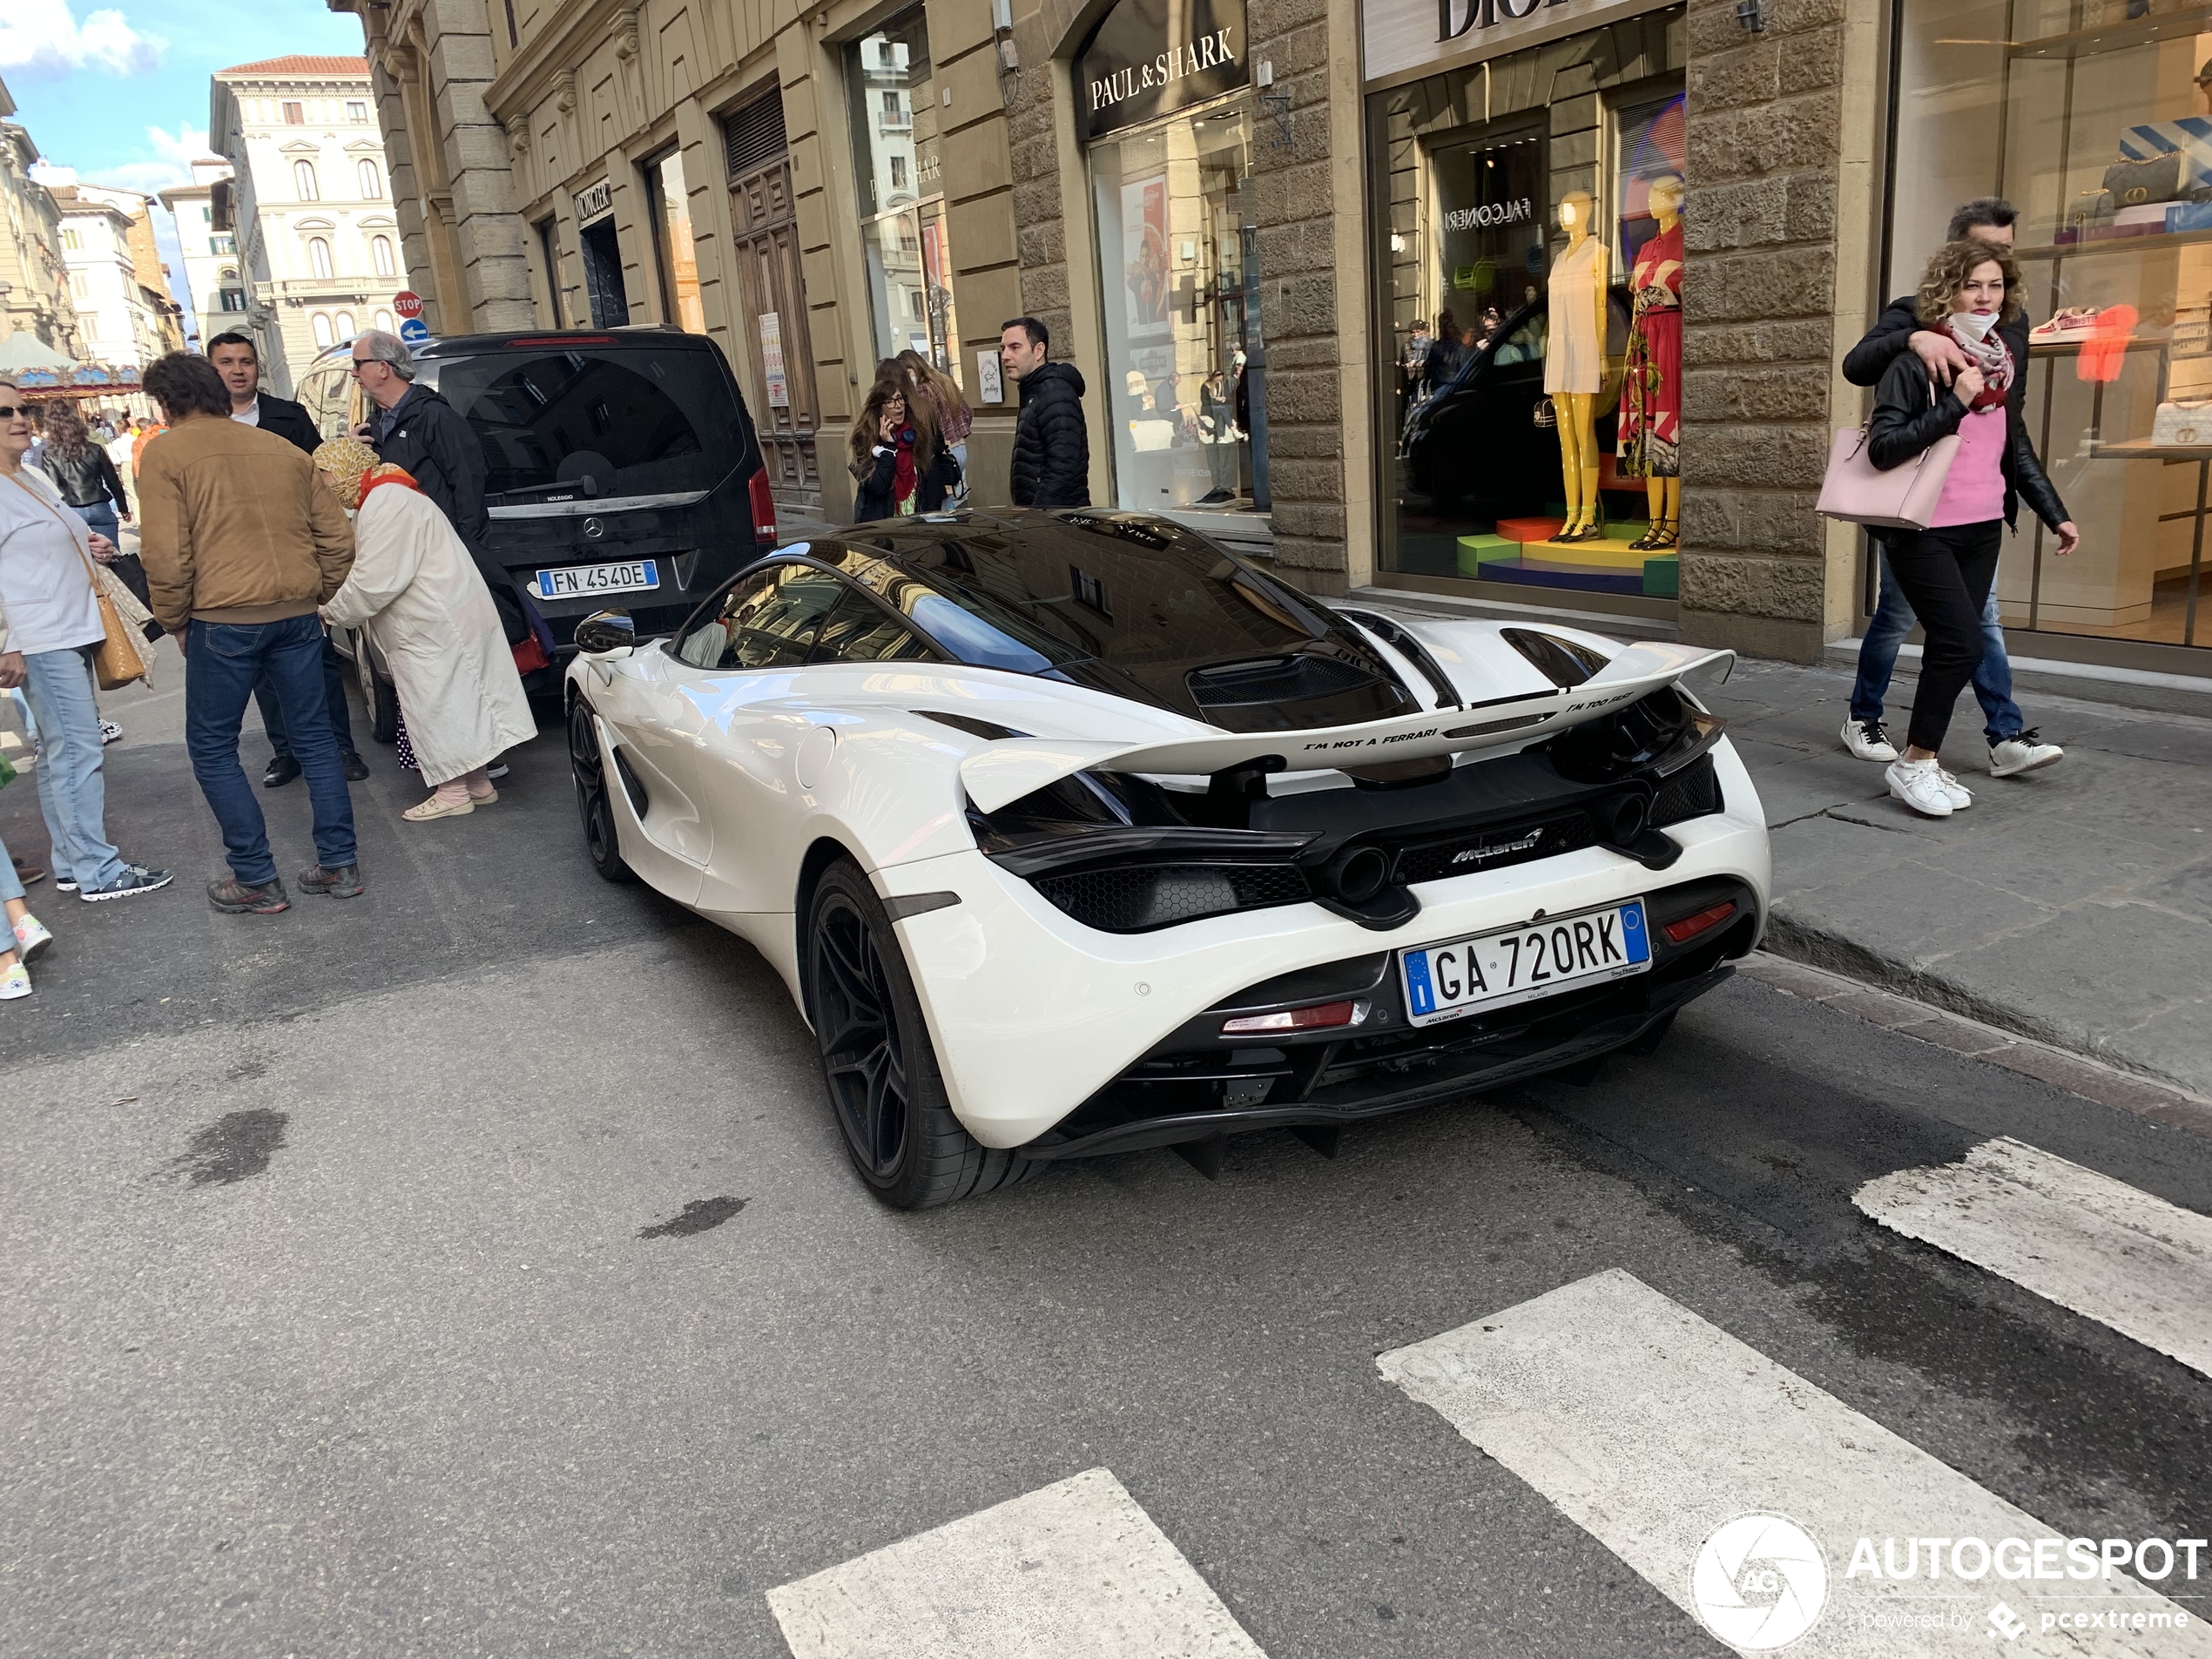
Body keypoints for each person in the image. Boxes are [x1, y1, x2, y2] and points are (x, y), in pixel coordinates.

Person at [1840, 197, 2063, 779]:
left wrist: (2050, 508)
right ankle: (1870, 719)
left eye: (2004, 262)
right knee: (1918, 624)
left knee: (1961, 630)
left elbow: (2010, 429)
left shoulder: (2011, 336)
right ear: (1953, 260)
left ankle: (1997, 735)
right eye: (1977, 269)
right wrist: (1915, 339)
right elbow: (1858, 364)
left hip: (1980, 515)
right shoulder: (1912, 318)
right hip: (1918, 513)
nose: (1990, 282)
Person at [134, 352, 361, 913]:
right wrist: (316, 594)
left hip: (224, 617)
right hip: (296, 612)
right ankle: (340, 864)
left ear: (166, 402)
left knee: (213, 747)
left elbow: (165, 556)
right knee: (315, 738)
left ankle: (257, 876)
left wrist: (174, 620)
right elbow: (338, 539)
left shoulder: (166, 453)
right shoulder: (283, 450)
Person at [0, 376, 172, 902]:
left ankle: (75, 862)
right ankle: (98, 869)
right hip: (37, 637)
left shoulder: (30, 475)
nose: (18, 420)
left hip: (69, 626)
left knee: (61, 754)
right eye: (3, 414)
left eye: (20, 409)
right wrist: (5, 641)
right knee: (77, 750)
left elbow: (51, 538)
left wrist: (89, 542)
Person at [313, 438, 536, 820]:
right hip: (449, 616)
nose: (323, 486)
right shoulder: (395, 494)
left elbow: (374, 580)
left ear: (344, 468)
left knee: (438, 704)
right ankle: (478, 782)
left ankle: (451, 793)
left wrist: (330, 612)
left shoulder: (385, 503)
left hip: (431, 624)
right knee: (465, 699)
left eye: (324, 475)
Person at [206, 330, 367, 788]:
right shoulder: (202, 429)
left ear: (258, 368)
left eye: (246, 361)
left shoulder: (288, 417)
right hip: (237, 568)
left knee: (319, 664)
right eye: (226, 362)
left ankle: (341, 747)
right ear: (211, 369)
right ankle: (286, 752)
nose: (238, 370)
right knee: (260, 672)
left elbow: (320, 480)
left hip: (295, 558)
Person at [1001, 316, 1090, 509]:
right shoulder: (1035, 389)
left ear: (1039, 350)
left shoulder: (1055, 393)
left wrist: (1037, 515)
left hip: (1057, 521)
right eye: (1004, 348)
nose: (1005, 356)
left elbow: (1065, 465)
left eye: (1015, 348)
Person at [850, 372, 960, 521]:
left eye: (900, 399)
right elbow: (880, 486)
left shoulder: (917, 435)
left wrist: (928, 523)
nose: (898, 406)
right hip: (882, 528)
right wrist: (888, 448)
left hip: (916, 525)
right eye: (890, 401)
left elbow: (931, 485)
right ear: (879, 408)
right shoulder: (864, 440)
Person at [895, 349, 973, 503]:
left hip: (944, 453)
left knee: (942, 507)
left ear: (914, 367)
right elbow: (967, 413)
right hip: (960, 448)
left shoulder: (923, 390)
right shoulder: (944, 381)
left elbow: (928, 426)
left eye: (907, 372)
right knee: (955, 502)